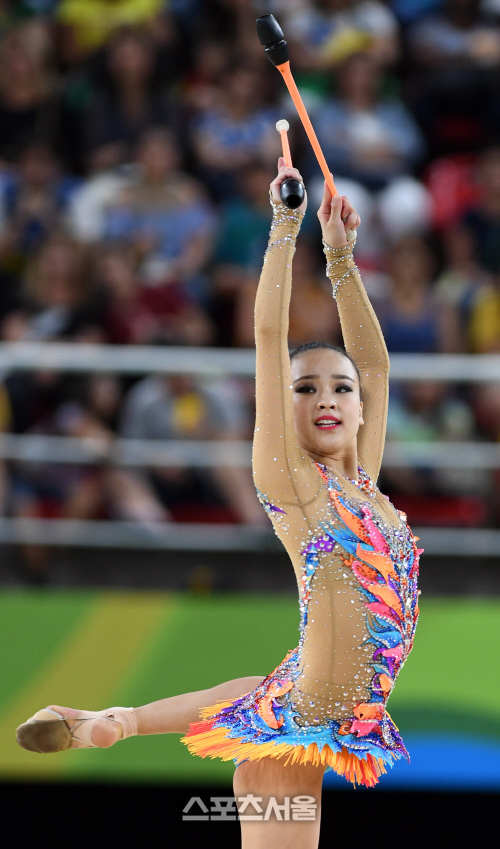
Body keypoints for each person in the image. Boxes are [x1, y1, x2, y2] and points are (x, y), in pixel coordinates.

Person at [16, 161, 421, 847]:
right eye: (305, 389)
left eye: (339, 388)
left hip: (316, 698)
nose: (325, 396)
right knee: (272, 701)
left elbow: (375, 364)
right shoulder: (295, 484)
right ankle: (122, 718)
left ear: (360, 410)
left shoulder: (366, 483)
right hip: (299, 731)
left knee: (266, 684)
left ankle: (122, 718)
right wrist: (284, 229)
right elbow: (268, 340)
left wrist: (342, 261)